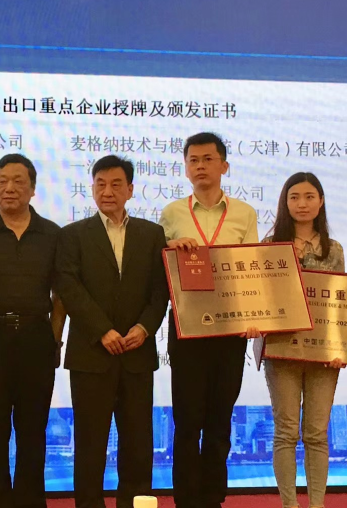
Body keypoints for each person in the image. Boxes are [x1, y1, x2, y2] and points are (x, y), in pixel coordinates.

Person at [56, 155, 169, 508]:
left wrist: (144, 328)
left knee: (138, 444)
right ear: (91, 189)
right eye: (100, 184)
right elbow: (69, 288)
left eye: (116, 184)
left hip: (137, 353)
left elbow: (160, 291)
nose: (107, 191)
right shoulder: (72, 235)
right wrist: (102, 330)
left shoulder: (152, 234)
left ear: (130, 190)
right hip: (91, 354)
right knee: (90, 443)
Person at [159, 132, 259, 508]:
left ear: (224, 166)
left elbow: (252, 269)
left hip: (230, 328)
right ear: (186, 169)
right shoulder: (172, 213)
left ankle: (213, 498)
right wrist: (170, 249)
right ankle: (186, 499)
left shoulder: (244, 213)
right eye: (193, 160)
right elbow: (160, 268)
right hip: (187, 328)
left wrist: (254, 316)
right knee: (187, 422)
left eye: (208, 159)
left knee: (219, 421)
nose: (200, 166)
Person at [0, 154, 66, 508]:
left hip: (37, 339)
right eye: (2, 181)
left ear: (33, 188)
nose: (9, 188)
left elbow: (61, 294)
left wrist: (54, 337)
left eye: (18, 181)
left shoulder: (53, 234)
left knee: (33, 431)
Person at [262, 172, 344, 508]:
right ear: (285, 202)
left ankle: (317, 504)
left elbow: (338, 303)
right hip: (281, 350)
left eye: (310, 196)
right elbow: (261, 296)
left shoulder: (333, 249)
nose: (302, 204)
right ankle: (289, 505)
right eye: (294, 197)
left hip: (324, 354)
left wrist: (341, 347)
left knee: (316, 434)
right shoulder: (270, 245)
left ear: (321, 201)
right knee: (285, 432)